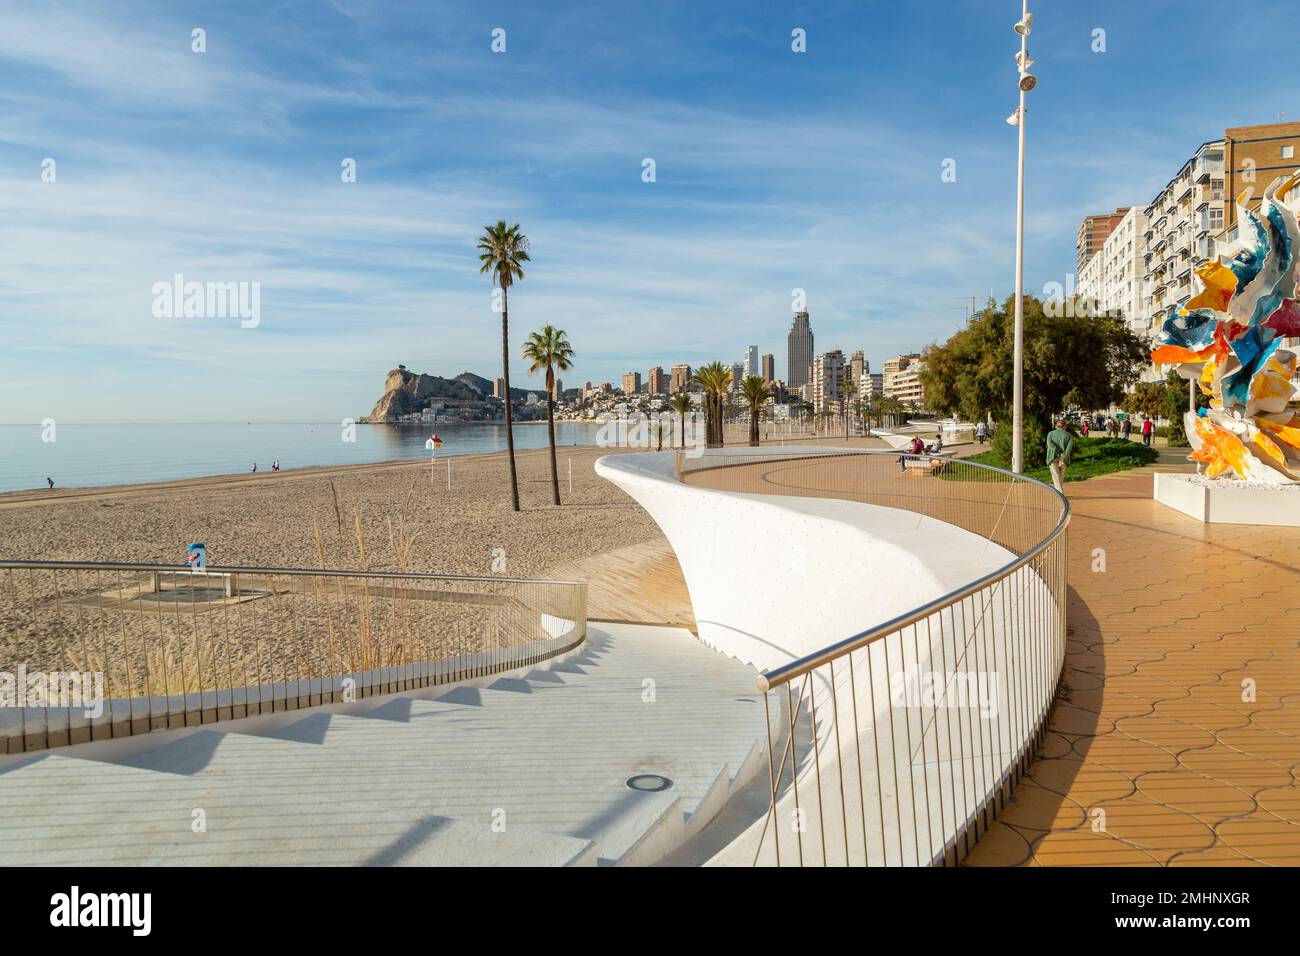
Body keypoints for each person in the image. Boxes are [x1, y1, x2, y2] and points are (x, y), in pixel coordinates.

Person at [1046, 417, 1074, 494]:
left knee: (1056, 476)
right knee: (1061, 476)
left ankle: (1060, 493)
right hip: (1063, 459)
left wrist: (1057, 451)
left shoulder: (1050, 434)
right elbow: (1068, 449)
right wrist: (1062, 457)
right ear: (1065, 426)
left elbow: (1050, 444)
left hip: (1053, 457)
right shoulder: (1069, 436)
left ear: (1056, 426)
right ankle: (1059, 492)